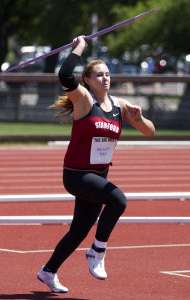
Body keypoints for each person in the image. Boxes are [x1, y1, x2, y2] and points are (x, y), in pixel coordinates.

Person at [37, 36, 155, 293]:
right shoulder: (84, 101)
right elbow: (65, 73)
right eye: (99, 75)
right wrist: (79, 46)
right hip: (77, 176)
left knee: (78, 230)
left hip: (98, 176)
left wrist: (140, 117)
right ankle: (97, 251)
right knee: (118, 200)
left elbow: (149, 132)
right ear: (88, 80)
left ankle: (48, 271)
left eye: (107, 74)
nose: (105, 78)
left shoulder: (119, 105)